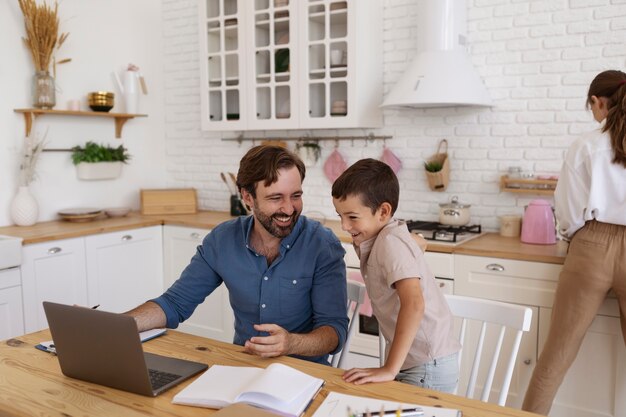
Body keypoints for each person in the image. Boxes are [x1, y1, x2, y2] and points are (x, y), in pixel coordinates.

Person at [126, 145, 348, 365]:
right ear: (248, 197)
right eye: (275, 198)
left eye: (296, 196)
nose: (289, 209)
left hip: (307, 373)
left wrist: (291, 343)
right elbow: (174, 304)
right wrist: (117, 325)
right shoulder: (223, 240)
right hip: (242, 367)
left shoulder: (322, 245)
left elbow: (334, 330)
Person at [522, 70, 626, 415]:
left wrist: (576, 237)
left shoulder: (586, 145)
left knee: (557, 353)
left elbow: (566, 209)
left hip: (591, 245)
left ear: (598, 102)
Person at [331, 158, 460, 392]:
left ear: (383, 212)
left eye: (352, 217)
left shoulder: (391, 242)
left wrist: (389, 369)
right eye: (340, 216)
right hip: (418, 361)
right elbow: (418, 244)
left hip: (426, 364)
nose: (344, 226)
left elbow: (414, 304)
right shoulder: (388, 238)